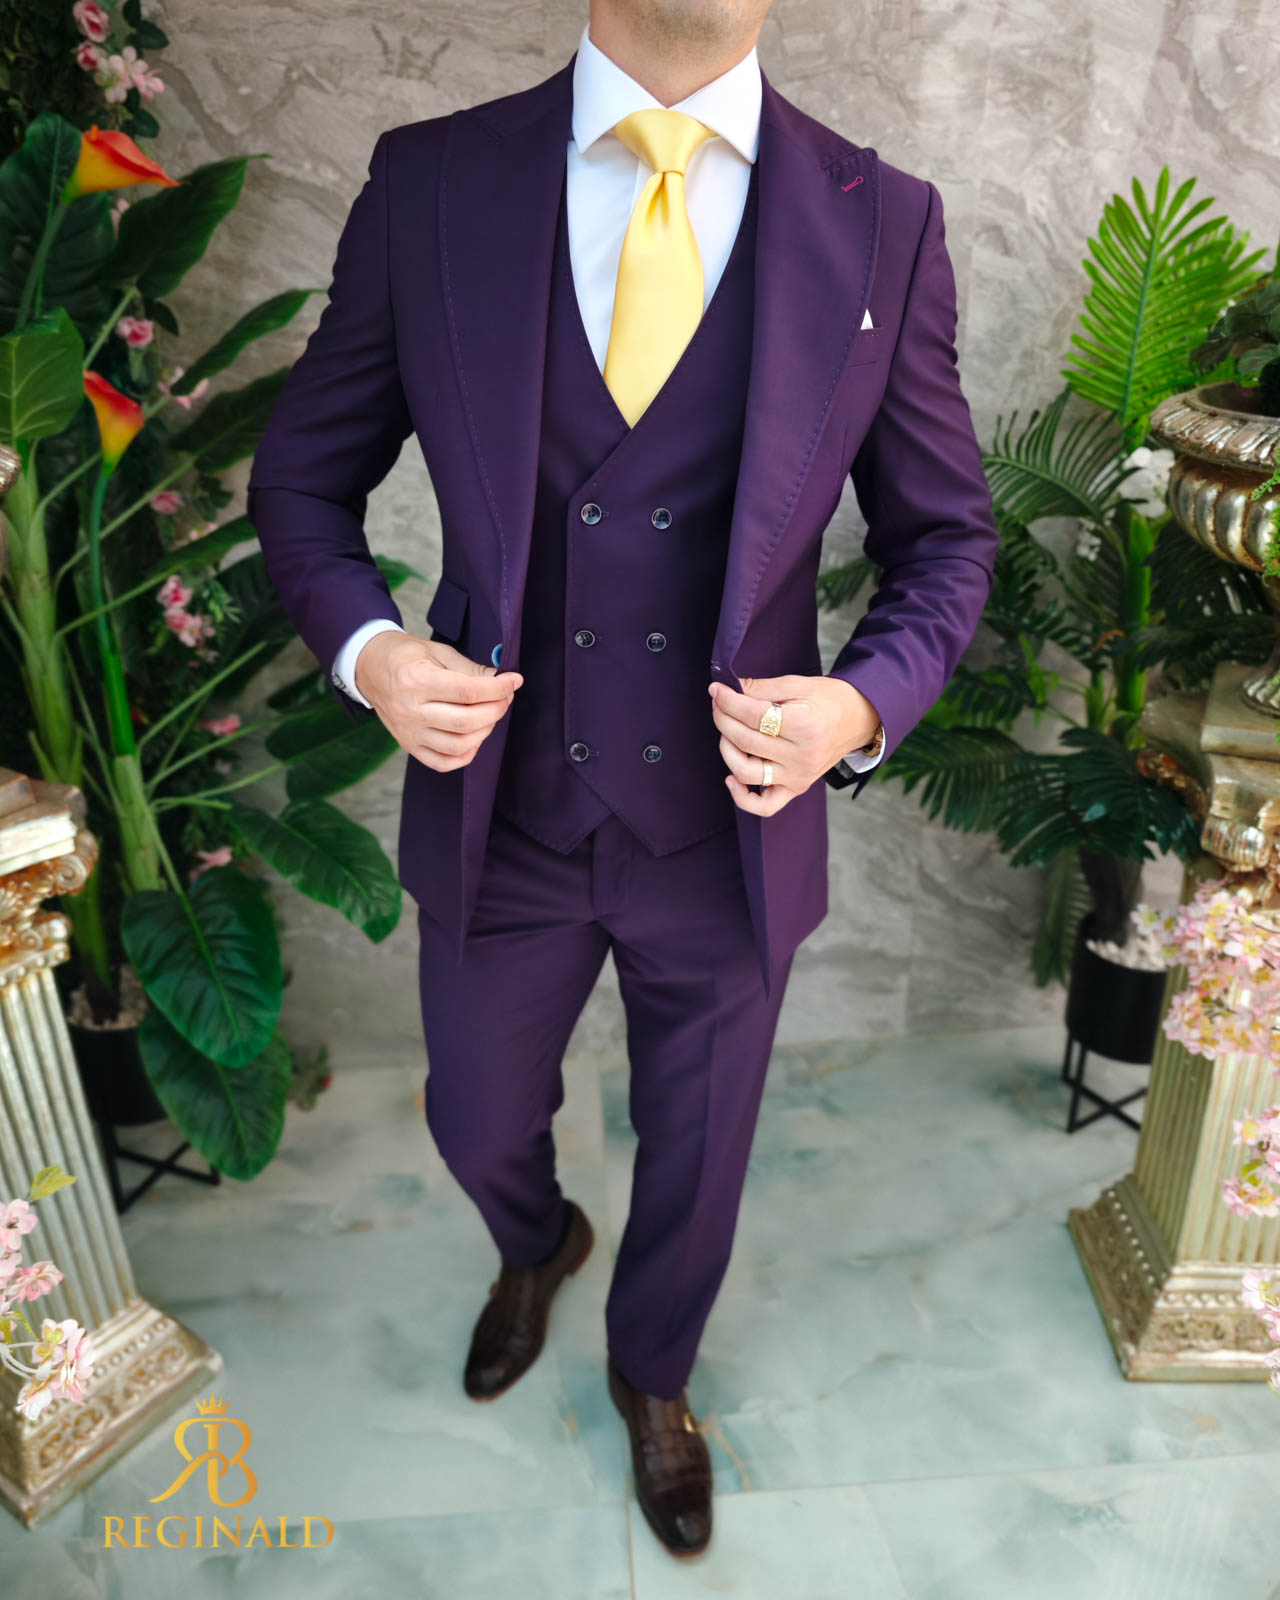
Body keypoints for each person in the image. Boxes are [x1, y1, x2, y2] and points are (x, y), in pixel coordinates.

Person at [248, 0, 998, 1560]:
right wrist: (373, 655)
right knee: (475, 1119)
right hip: (502, 803)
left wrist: (859, 706)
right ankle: (534, 1241)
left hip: (730, 826)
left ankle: (655, 1372)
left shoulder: (886, 222)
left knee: (702, 1154)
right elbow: (303, 478)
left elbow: (944, 541)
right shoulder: (430, 183)